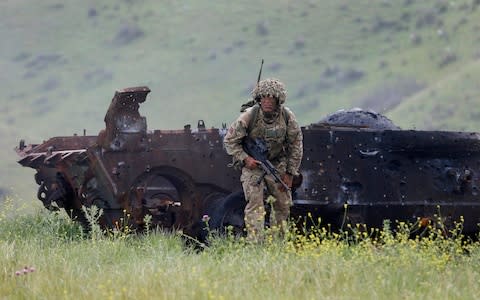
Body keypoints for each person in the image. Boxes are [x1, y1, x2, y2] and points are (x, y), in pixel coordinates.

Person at [224, 78, 303, 241]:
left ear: (278, 99)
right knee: (255, 205)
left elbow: (296, 145)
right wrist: (245, 159)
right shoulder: (249, 116)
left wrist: (290, 173)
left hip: (277, 164)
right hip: (253, 166)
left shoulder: (287, 117)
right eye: (264, 97)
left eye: (271, 98)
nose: (267, 101)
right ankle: (255, 244)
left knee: (282, 205)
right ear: (259, 98)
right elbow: (230, 141)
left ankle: (278, 243)